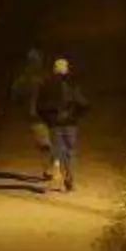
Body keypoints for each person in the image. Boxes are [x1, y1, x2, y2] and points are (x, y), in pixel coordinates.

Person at [36, 57, 90, 191]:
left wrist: (47, 118)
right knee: (70, 151)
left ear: (54, 69)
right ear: (66, 69)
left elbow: (39, 105)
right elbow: (83, 103)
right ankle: (69, 179)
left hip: (54, 123)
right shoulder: (73, 84)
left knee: (58, 150)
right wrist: (76, 116)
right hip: (71, 124)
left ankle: (56, 177)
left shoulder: (46, 84)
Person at [9, 47, 51, 158]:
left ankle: (50, 167)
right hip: (42, 114)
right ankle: (51, 168)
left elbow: (14, 93)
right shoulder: (43, 76)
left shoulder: (24, 77)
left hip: (37, 114)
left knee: (45, 143)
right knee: (46, 143)